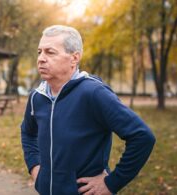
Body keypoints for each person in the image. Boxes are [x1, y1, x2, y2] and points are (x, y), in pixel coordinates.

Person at [20, 25, 156, 195]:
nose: (41, 58)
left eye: (50, 52)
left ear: (74, 58)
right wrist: (35, 167)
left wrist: (112, 183)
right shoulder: (36, 97)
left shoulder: (93, 93)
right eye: (39, 52)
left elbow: (142, 136)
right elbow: (27, 132)